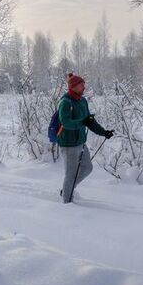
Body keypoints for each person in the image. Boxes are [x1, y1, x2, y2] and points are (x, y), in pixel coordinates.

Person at [57, 73, 114, 203]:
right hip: (68, 144)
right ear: (74, 87)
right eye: (81, 85)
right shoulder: (65, 102)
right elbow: (65, 123)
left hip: (81, 142)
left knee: (87, 168)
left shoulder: (82, 101)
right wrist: (83, 122)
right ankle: (66, 202)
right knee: (70, 174)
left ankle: (67, 189)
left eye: (84, 84)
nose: (84, 87)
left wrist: (104, 132)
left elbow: (89, 121)